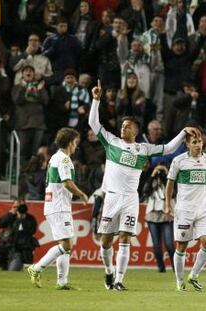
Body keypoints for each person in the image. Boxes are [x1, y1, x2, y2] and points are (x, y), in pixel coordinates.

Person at [88, 80, 200, 291]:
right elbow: (94, 125)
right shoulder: (112, 142)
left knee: (125, 239)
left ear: (136, 131)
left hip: (130, 198)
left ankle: (120, 280)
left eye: (127, 126)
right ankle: (109, 272)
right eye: (122, 126)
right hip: (111, 196)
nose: (123, 128)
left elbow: (167, 148)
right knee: (105, 242)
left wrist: (183, 132)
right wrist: (96, 100)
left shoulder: (144, 149)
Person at [27, 127, 88, 290]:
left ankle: (62, 282)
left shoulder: (54, 157)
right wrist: (81, 194)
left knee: (65, 245)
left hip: (54, 205)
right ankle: (36, 268)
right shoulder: (64, 159)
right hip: (59, 206)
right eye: (75, 142)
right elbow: (67, 182)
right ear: (69, 143)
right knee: (67, 245)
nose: (76, 146)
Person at [165, 132, 206, 291]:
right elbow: (169, 184)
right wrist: (168, 204)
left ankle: (194, 275)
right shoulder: (179, 160)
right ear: (187, 144)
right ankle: (180, 282)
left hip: (203, 209)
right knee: (181, 246)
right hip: (184, 210)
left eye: (200, 141)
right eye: (194, 142)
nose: (198, 144)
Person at [141, 163, 175, 273]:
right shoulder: (151, 179)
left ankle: (176, 266)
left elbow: (172, 193)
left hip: (166, 214)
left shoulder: (171, 180)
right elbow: (145, 191)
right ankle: (161, 267)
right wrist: (153, 175)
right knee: (156, 244)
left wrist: (166, 173)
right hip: (152, 214)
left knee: (169, 243)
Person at [0, 199, 38, 271]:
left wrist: (22, 219)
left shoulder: (30, 219)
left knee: (12, 271)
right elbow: (1, 224)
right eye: (17, 206)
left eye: (22, 206)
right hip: (7, 248)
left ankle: (9, 265)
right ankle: (4, 265)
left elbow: (32, 231)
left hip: (20, 252)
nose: (20, 208)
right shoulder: (11, 217)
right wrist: (10, 214)